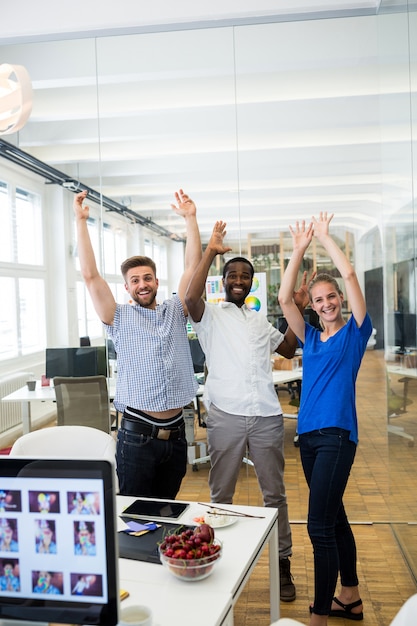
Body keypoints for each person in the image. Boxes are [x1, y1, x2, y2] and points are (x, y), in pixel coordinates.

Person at [185, 220, 311, 602]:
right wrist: (210, 251)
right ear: (223, 281)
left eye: (244, 276)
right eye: (232, 275)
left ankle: (283, 563)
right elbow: (190, 298)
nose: (238, 280)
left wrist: (298, 310)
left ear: (252, 283)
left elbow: (288, 349)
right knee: (220, 494)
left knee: (275, 494)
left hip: (267, 416)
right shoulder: (209, 315)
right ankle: (215, 560)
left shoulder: (259, 320)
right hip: (225, 414)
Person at [74, 189, 202, 498]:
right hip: (137, 435)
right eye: (135, 280)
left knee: (167, 512)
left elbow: (193, 268)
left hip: (177, 435)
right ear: (128, 287)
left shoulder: (175, 310)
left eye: (147, 277)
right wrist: (80, 221)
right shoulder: (117, 316)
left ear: (157, 282)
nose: (142, 284)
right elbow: (90, 277)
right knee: (134, 518)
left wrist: (191, 219)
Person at [278, 212, 372, 625]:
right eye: (318, 300)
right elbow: (284, 300)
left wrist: (325, 238)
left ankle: (319, 614)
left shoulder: (355, 333)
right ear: (313, 307)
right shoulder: (311, 338)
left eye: (331, 296)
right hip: (309, 440)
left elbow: (351, 276)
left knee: (318, 527)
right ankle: (348, 598)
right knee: (334, 518)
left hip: (337, 436)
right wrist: (298, 249)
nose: (327, 303)